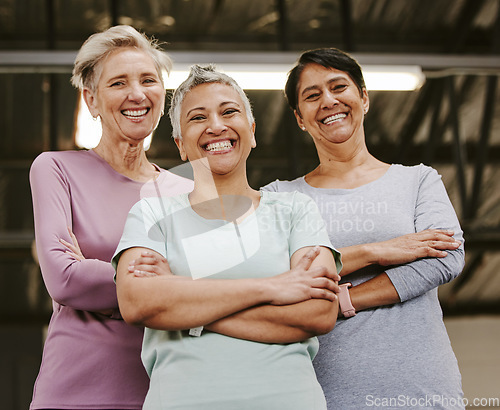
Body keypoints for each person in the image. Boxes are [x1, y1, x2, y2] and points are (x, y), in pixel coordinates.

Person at [112, 64, 342, 410]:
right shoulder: (152, 214)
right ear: (181, 145)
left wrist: (184, 305)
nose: (216, 126)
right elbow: (137, 303)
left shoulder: (296, 210)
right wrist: (272, 287)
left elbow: (318, 312)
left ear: (251, 131)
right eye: (197, 118)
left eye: (229, 112)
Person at [262, 48, 466, 409]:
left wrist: (342, 300)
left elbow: (445, 258)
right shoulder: (279, 197)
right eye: (312, 96)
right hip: (325, 394)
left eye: (339, 87)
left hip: (424, 389)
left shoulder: (418, 180)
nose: (328, 101)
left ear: (364, 98)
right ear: (299, 118)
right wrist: (380, 250)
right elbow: (274, 278)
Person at [29, 25, 193, 409]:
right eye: (118, 83)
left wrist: (101, 274)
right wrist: (169, 280)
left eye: (148, 80)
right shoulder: (55, 169)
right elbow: (65, 280)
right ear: (91, 100)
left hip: (165, 392)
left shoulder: (188, 190)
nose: (136, 94)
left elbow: (208, 291)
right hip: (73, 393)